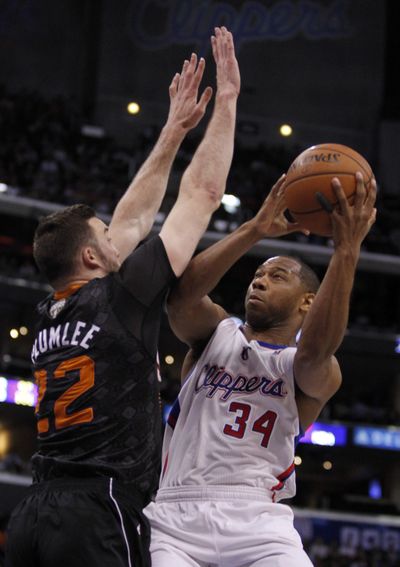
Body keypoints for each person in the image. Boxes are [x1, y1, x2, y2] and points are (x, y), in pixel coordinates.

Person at [5, 26, 240, 567]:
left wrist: (174, 130)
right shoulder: (121, 298)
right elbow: (202, 195)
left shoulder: (47, 312)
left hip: (33, 511)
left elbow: (133, 218)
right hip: (99, 508)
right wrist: (226, 101)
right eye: (105, 236)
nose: (117, 235)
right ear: (92, 258)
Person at [145, 172, 377, 566]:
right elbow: (181, 300)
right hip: (176, 514)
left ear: (308, 302)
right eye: (257, 276)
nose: (260, 282)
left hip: (258, 521)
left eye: (277, 276)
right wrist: (255, 229)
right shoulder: (215, 334)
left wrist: (346, 251)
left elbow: (317, 350)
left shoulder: (309, 369)